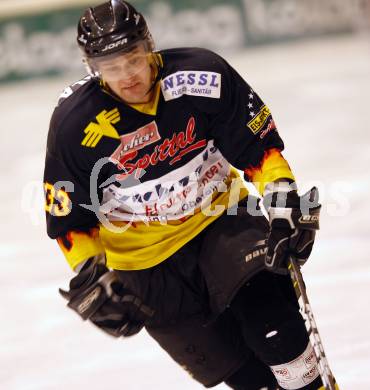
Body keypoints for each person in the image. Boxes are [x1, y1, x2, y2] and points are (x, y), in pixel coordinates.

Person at [43, 1, 328, 389]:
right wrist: (93, 274)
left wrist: (283, 203)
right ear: (91, 68)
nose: (127, 76)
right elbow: (70, 221)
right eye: (111, 67)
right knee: (250, 379)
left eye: (133, 59)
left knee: (278, 333)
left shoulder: (202, 75)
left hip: (223, 221)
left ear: (149, 46)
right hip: (145, 267)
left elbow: (257, 148)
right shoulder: (73, 125)